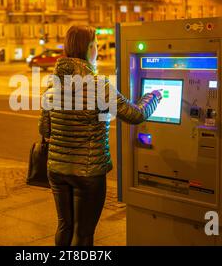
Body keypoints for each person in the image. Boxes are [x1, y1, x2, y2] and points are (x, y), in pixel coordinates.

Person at [38, 25, 162, 246]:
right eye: (95, 45)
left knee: (64, 225)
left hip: (56, 170)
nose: (97, 50)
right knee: (83, 232)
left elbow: (45, 130)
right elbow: (135, 115)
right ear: (88, 49)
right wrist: (154, 95)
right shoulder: (98, 85)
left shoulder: (51, 84)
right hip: (88, 172)